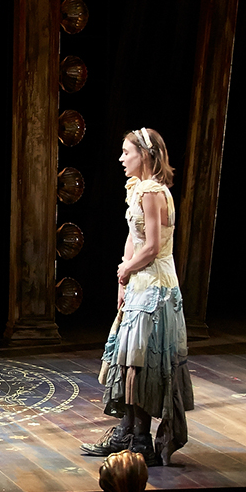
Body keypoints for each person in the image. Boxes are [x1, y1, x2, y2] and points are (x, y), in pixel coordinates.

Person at [81, 128, 194, 465]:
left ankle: (140, 439)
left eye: (126, 152)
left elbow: (153, 247)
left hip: (155, 287)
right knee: (130, 360)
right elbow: (134, 237)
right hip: (140, 286)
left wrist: (127, 269)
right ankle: (127, 431)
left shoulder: (152, 191)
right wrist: (123, 280)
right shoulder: (138, 189)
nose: (121, 159)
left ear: (144, 155)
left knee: (142, 364)